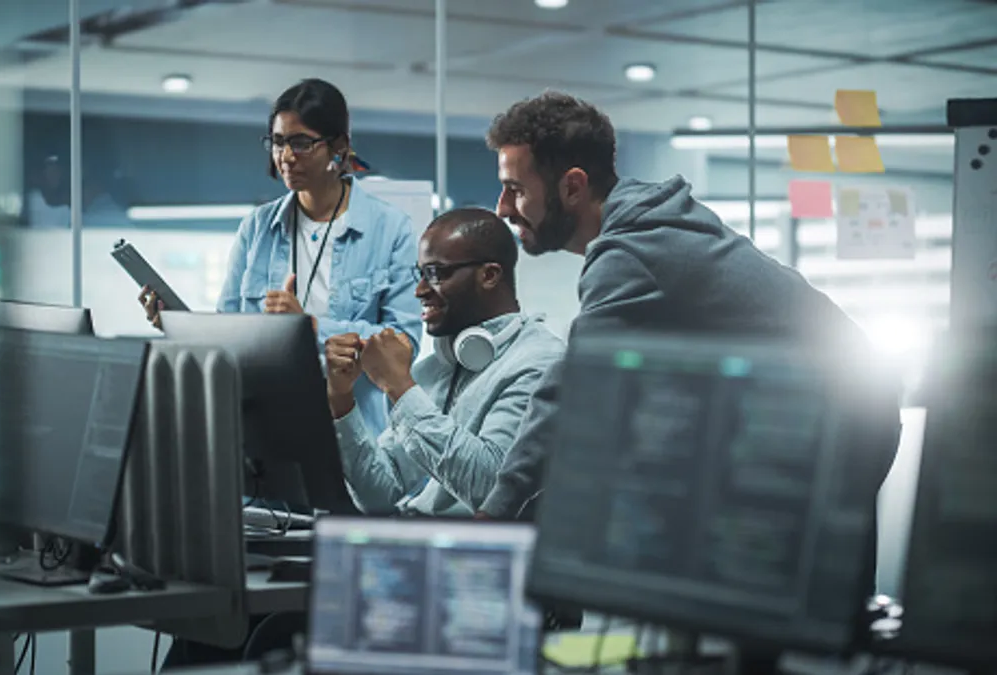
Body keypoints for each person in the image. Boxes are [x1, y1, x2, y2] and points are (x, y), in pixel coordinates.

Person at [478, 91, 900, 521]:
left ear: (572, 186)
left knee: (765, 567)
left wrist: (493, 514)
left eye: (515, 189)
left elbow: (571, 390)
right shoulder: (648, 221)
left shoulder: (632, 251)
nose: (503, 208)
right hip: (843, 404)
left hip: (840, 419)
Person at [141, 78, 420, 437]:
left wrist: (310, 328)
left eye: (302, 143)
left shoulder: (390, 229)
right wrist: (177, 323)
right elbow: (231, 335)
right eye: (278, 142)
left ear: (339, 146)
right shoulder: (257, 229)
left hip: (354, 434)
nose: (286, 157)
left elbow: (403, 347)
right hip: (266, 427)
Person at [325, 208, 563, 516]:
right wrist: (340, 400)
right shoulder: (434, 368)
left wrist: (399, 388)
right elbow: (379, 496)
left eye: (436, 274)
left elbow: (492, 491)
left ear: (489, 275)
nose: (420, 290)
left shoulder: (540, 363)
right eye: (420, 273)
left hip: (477, 555)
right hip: (418, 542)